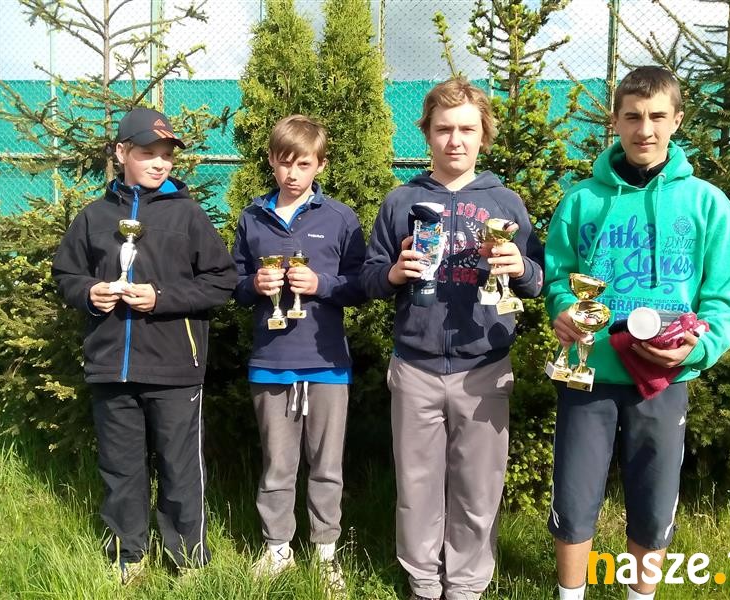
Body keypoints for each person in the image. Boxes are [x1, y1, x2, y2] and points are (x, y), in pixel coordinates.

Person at [543, 66, 730, 600]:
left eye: (658, 116)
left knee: (654, 501)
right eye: (633, 117)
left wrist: (699, 348)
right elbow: (559, 277)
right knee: (574, 497)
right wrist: (564, 309)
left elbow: (728, 295)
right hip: (589, 373)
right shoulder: (581, 201)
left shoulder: (708, 204)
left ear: (677, 120)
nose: (645, 129)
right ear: (615, 121)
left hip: (663, 379)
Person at [360, 78, 544, 600]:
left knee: (477, 488)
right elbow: (368, 277)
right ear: (427, 134)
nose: (455, 140)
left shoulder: (505, 201)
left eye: (466, 129)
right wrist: (393, 273)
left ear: (484, 134)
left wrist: (520, 268)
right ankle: (422, 581)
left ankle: (465, 585)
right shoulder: (402, 201)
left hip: (484, 366)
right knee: (416, 486)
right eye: (443, 129)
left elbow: (539, 279)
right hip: (415, 366)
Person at [51, 107, 237, 583]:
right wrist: (89, 292)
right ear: (121, 152)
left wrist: (162, 298)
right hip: (111, 365)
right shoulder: (94, 217)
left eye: (166, 155)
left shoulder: (188, 215)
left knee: (180, 468)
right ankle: (127, 556)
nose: (159, 163)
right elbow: (66, 274)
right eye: (148, 153)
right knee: (121, 468)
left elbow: (221, 281)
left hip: (174, 366)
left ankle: (187, 561)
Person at [231, 114, 366, 594]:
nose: (293, 173)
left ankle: (326, 553)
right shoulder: (252, 217)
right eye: (285, 162)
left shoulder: (340, 218)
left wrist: (321, 284)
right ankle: (277, 550)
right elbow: (232, 284)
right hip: (271, 362)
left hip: (327, 363)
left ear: (320, 165)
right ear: (271, 160)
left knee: (326, 466)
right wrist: (254, 283)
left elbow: (361, 285)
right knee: (277, 463)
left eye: (303, 164)